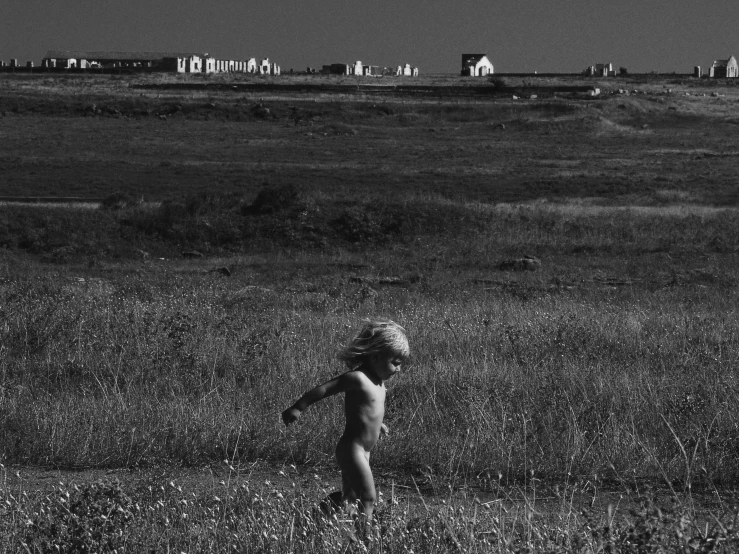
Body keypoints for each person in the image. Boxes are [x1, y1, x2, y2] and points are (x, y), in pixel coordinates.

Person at [282, 318, 409, 532]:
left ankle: (312, 519)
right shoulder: (358, 378)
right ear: (376, 356)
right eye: (395, 362)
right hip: (353, 449)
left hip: (364, 451)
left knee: (350, 499)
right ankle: (364, 540)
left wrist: (379, 424)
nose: (399, 368)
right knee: (367, 498)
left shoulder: (380, 383)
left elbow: (368, 411)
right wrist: (298, 407)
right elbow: (323, 389)